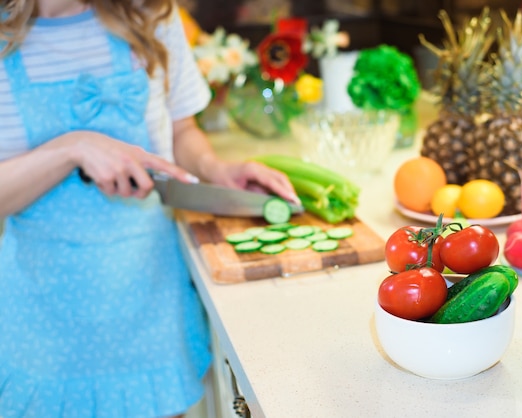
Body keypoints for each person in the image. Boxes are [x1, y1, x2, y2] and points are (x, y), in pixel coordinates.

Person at [0, 1, 299, 417]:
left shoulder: (151, 14)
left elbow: (180, 128)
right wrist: (72, 147)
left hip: (148, 299)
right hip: (43, 324)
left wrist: (216, 169)